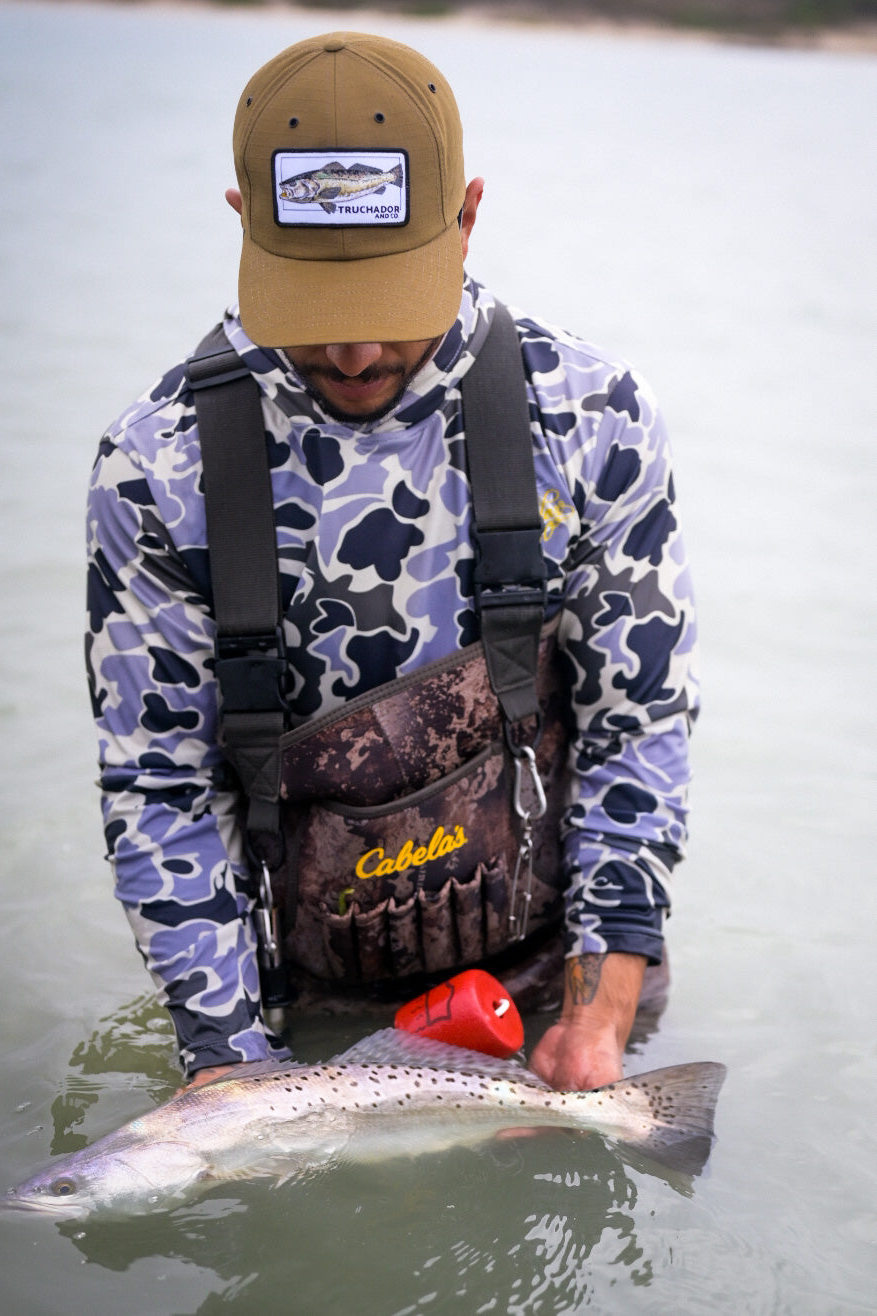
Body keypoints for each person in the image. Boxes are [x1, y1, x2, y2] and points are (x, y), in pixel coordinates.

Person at [86, 31, 698, 1096]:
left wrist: (598, 1016)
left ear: (466, 220)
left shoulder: (593, 418)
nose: (357, 352)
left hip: (559, 985)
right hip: (293, 1013)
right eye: (318, 308)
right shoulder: (155, 468)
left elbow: (636, 726)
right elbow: (160, 784)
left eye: (387, 299)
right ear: (243, 220)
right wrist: (233, 1070)